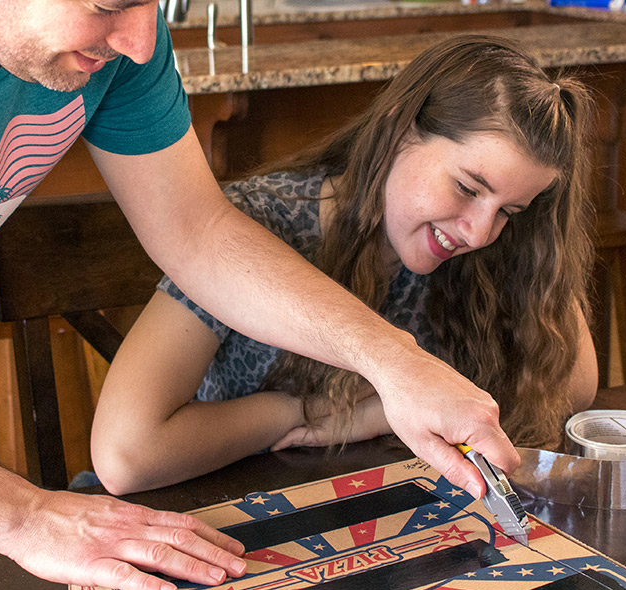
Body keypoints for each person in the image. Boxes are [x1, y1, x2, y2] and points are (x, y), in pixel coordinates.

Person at [0, 0, 517, 590]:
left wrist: (391, 359)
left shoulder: (121, 36)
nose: (138, 40)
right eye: (107, 7)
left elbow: (197, 234)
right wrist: (25, 516)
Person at [91, 35, 599, 496]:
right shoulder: (260, 224)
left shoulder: (488, 247)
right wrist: (308, 412)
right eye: (467, 188)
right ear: (401, 127)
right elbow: (126, 456)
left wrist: (536, 242)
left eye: (509, 211)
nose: (479, 232)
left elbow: (574, 385)